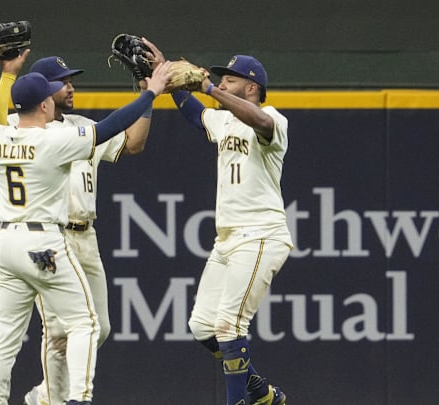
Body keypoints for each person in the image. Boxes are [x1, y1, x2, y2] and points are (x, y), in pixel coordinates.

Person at [0, 36, 172, 405]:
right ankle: (68, 399)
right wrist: (150, 92)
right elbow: (108, 128)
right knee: (77, 327)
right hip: (47, 240)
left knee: (16, 334)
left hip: (18, 240)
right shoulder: (51, 140)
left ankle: (17, 399)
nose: (70, 86)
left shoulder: (1, 134)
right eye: (62, 82)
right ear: (45, 99)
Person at [143, 38, 292, 405]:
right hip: (227, 240)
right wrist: (164, 75)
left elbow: (256, 119)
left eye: (231, 79)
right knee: (202, 327)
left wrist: (209, 88)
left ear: (252, 87)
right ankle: (260, 392)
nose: (223, 82)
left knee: (229, 325)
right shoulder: (224, 120)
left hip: (260, 235)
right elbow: (196, 114)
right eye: (221, 79)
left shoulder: (273, 119)